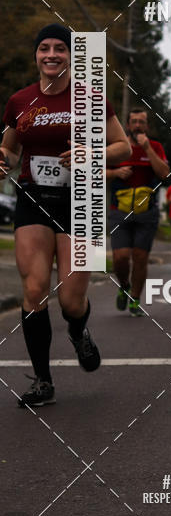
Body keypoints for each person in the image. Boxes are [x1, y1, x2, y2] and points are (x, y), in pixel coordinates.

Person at [0, 24, 130, 407]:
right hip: (33, 199)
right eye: (44, 48)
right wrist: (3, 160)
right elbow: (9, 149)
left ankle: (78, 331)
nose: (52, 54)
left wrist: (93, 155)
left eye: (60, 48)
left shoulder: (91, 99)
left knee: (72, 301)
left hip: (82, 201)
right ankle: (43, 380)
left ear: (71, 55)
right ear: (36, 55)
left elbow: (121, 147)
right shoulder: (19, 101)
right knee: (35, 288)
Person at [106, 108, 170, 316]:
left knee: (140, 257)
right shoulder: (116, 148)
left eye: (141, 122)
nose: (137, 126)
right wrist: (115, 172)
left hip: (146, 213)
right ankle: (123, 286)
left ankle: (135, 298)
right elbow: (95, 172)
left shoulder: (156, 146)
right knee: (121, 257)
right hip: (119, 210)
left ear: (147, 126)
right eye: (133, 122)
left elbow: (164, 174)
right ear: (127, 125)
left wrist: (148, 149)